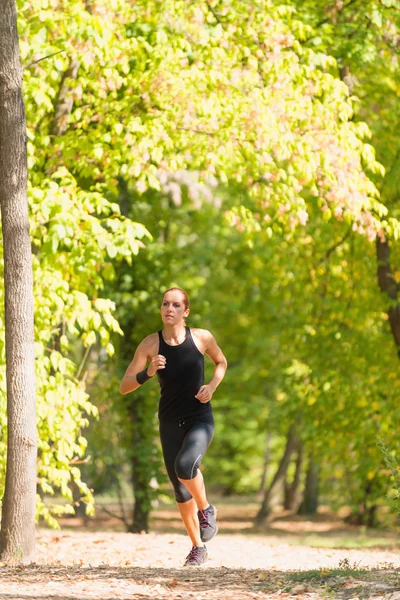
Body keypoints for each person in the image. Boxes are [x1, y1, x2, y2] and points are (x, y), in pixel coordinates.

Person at [120, 287, 227, 566]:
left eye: (176, 305)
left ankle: (206, 508)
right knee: (180, 490)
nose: (170, 309)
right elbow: (124, 386)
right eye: (165, 304)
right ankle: (198, 547)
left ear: (185, 311)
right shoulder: (150, 345)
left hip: (199, 418)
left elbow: (221, 362)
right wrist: (148, 372)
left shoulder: (202, 338)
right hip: (169, 422)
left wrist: (212, 386)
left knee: (186, 465)